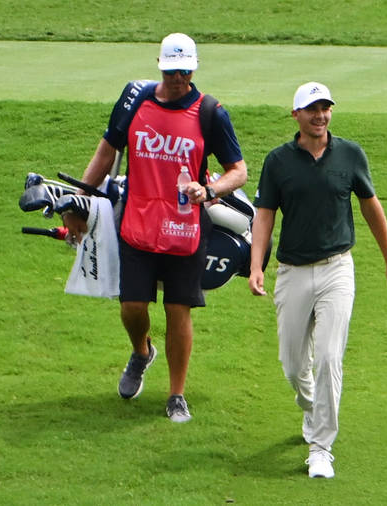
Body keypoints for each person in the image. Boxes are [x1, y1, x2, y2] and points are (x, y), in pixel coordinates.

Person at [64, 33, 248, 423]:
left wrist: (210, 188)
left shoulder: (211, 112)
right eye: (171, 70)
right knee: (131, 308)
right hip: (137, 226)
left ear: (194, 68)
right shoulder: (135, 101)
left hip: (185, 233)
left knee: (178, 312)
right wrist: (80, 199)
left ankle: (176, 394)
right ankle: (142, 352)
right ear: (160, 67)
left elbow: (239, 171)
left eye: (184, 70)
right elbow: (107, 152)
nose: (178, 77)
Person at [248, 82, 387, 478]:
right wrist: (255, 265)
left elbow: (371, 207)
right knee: (293, 365)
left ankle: (321, 448)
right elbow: (264, 214)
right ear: (296, 114)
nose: (320, 115)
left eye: (326, 108)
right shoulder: (278, 161)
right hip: (293, 272)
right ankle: (313, 409)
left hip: (337, 269)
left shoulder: (350, 155)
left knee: (330, 359)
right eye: (312, 109)